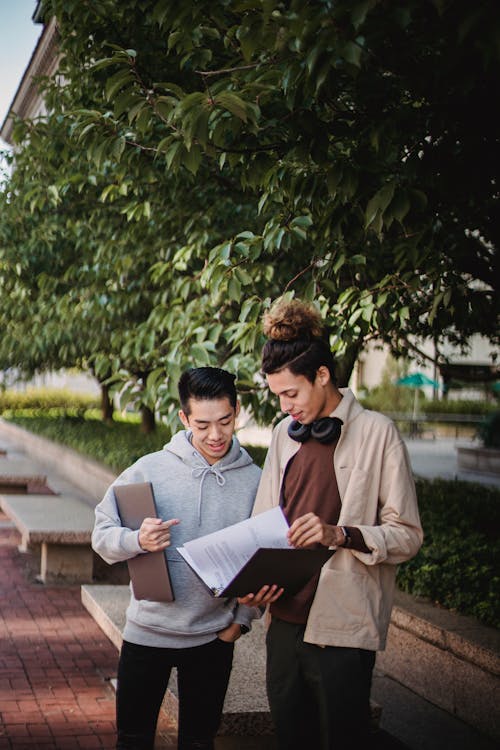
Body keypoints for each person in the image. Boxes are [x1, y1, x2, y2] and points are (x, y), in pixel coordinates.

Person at [242, 298, 423, 749]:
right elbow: (262, 523)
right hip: (283, 622)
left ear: (322, 376)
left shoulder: (379, 433)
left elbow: (408, 536)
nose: (285, 407)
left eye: (292, 394)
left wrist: (339, 533)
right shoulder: (285, 434)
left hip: (343, 627)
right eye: (277, 396)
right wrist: (249, 582)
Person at [92, 366, 262, 750]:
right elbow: (101, 537)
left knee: (199, 743)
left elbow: (265, 559)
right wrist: (137, 539)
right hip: (146, 634)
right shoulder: (149, 468)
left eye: (225, 421)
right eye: (202, 425)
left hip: (212, 638)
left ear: (237, 411)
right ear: (184, 418)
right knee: (133, 740)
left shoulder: (256, 481)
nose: (215, 435)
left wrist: (239, 625)